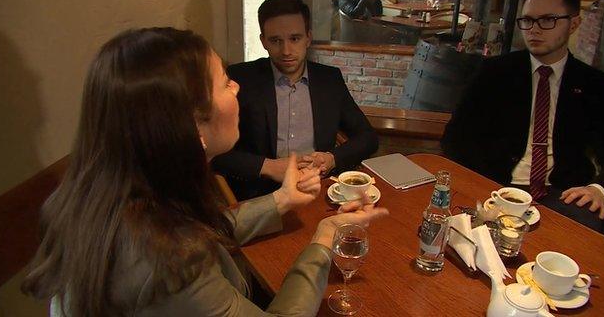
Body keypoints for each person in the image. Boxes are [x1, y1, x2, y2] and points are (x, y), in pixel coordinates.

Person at [21, 28, 389, 316]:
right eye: (225, 82)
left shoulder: (111, 193)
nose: (237, 87)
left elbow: (207, 232)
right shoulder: (166, 262)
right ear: (191, 125)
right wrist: (324, 238)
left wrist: (281, 200)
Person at [442, 0, 604, 233]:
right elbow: (455, 138)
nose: (534, 30)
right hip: (495, 188)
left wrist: (599, 189)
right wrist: (482, 182)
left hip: (562, 195)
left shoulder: (592, 83)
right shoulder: (496, 72)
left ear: (574, 23)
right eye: (528, 20)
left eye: (548, 20)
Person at [212, 0, 378, 200]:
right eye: (275, 41)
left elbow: (368, 138)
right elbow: (211, 152)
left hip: (318, 189)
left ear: (308, 37)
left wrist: (332, 158)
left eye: (295, 38)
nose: (286, 50)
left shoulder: (329, 79)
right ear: (263, 41)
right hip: (261, 194)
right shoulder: (240, 79)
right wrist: (268, 167)